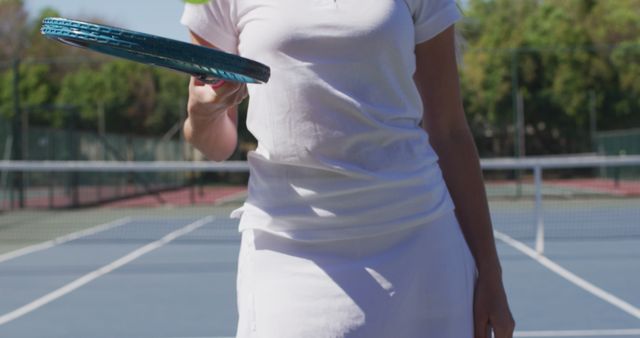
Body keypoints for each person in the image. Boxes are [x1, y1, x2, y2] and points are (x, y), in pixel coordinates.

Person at [181, 1, 514, 337]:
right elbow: (216, 144)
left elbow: (449, 130)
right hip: (290, 249)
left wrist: (490, 271)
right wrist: (203, 114)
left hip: (423, 244)